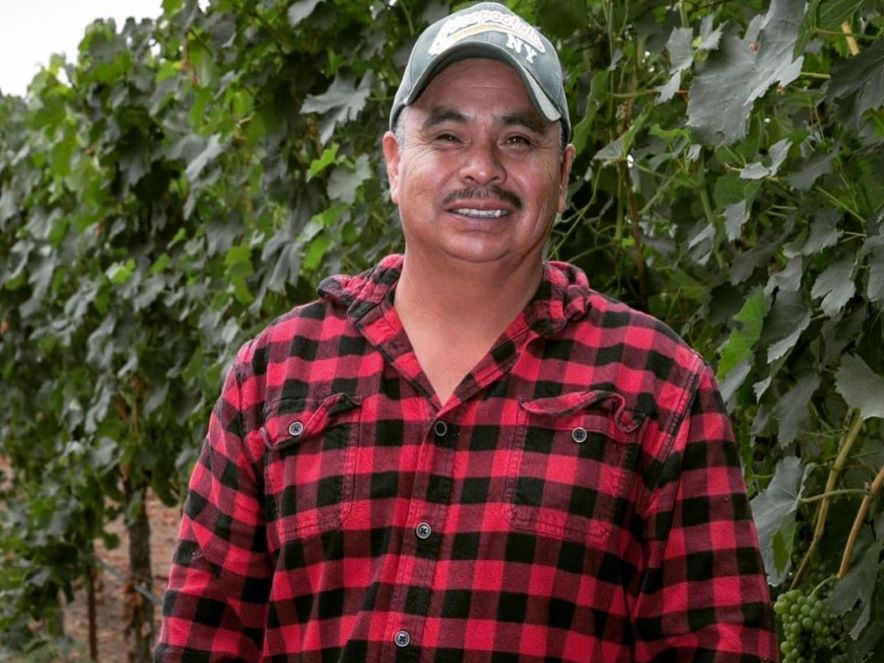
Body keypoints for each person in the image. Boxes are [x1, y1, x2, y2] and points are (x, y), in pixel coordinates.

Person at [155, 2, 779, 660]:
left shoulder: (658, 386)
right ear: (394, 163)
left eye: (517, 139)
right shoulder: (275, 375)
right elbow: (205, 634)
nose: (483, 167)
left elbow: (721, 644)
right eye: (448, 136)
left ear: (562, 175)